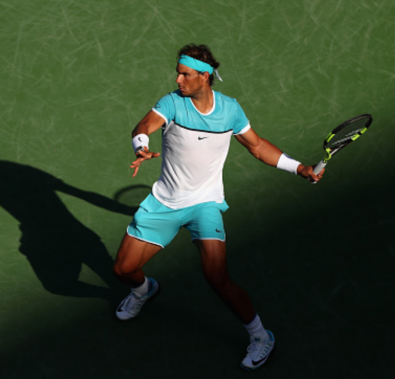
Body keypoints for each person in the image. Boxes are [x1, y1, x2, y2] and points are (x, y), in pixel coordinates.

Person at [112, 44, 324, 371]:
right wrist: (141, 146)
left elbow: (257, 146)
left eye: (185, 74)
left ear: (205, 76)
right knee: (123, 270)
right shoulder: (171, 103)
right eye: (178, 72)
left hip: (204, 204)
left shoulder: (230, 111)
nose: (178, 79)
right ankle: (143, 290)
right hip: (164, 202)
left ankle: (260, 335)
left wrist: (299, 168)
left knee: (216, 276)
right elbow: (142, 127)